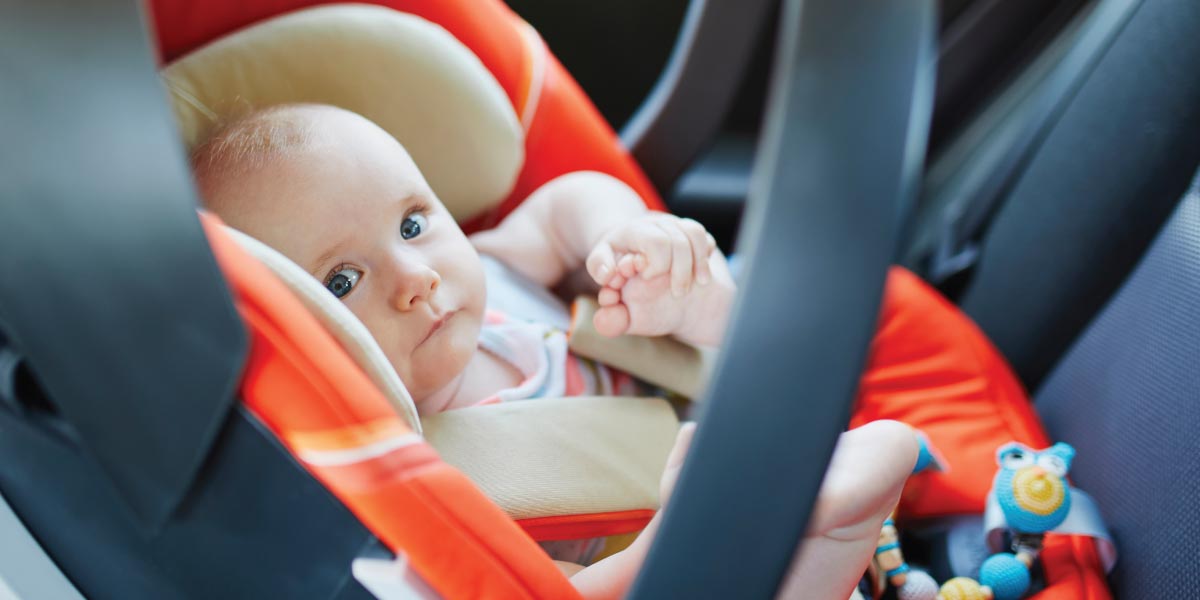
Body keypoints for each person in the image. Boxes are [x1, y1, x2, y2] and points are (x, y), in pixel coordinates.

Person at [193, 103, 920, 599]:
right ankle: (829, 530)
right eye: (342, 281)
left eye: (412, 224)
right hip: (682, 560)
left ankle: (816, 480)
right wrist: (669, 544)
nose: (415, 278)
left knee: (746, 318)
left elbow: (567, 205)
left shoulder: (499, 270)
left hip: (731, 424)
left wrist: (624, 238)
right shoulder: (405, 480)